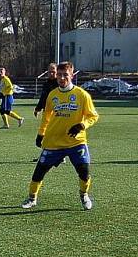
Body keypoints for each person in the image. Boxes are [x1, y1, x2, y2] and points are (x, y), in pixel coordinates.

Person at [21, 61, 98, 211]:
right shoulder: (53, 95)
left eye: (65, 75)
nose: (62, 78)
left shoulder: (82, 95)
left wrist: (82, 125)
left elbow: (93, 116)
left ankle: (84, 195)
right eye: (59, 75)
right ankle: (32, 198)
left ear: (72, 75)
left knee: (84, 171)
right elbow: (46, 117)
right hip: (54, 141)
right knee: (39, 172)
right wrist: (41, 133)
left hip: (77, 142)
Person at [32, 62, 59, 162]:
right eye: (49, 72)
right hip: (47, 111)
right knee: (40, 139)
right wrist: (38, 108)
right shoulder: (46, 84)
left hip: (57, 113)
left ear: (57, 72)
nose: (51, 74)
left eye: (53, 72)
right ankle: (49, 154)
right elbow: (43, 98)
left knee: (53, 134)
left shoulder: (59, 84)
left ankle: (59, 156)